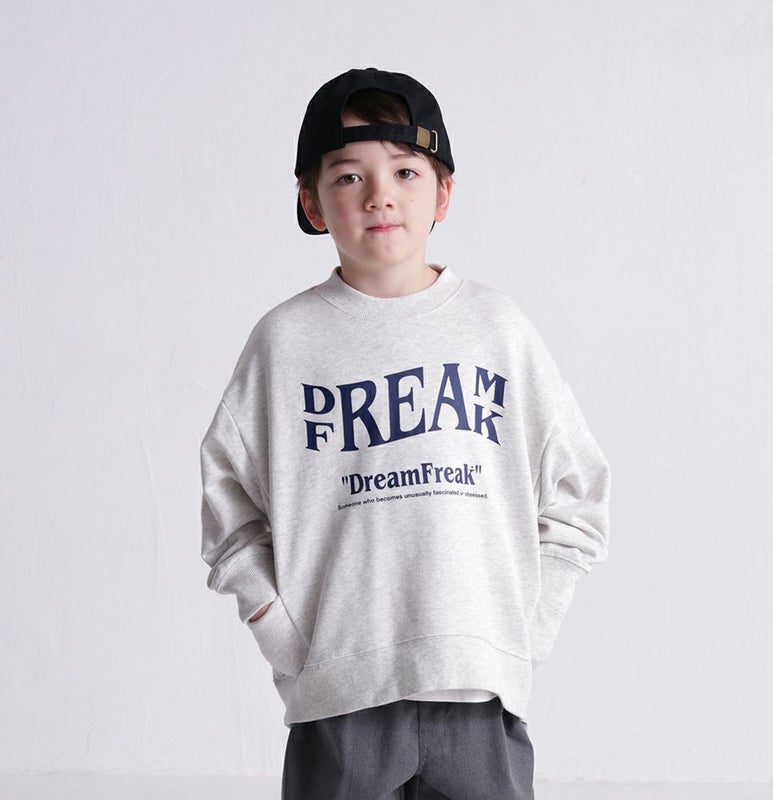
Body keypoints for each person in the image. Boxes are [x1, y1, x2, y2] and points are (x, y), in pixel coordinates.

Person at [199, 67, 611, 800]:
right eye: (348, 176)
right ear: (312, 202)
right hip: (340, 699)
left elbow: (577, 494)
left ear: (443, 193)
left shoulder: (498, 331)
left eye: (405, 171)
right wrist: (283, 634)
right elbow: (229, 503)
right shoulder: (285, 343)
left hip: (479, 693)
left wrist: (522, 633)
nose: (379, 195)